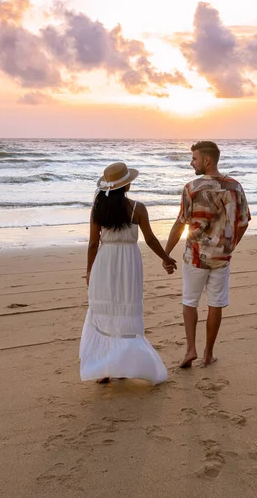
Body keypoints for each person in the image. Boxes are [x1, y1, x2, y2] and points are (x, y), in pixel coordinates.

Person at [80, 162, 176, 385]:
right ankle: (122, 365)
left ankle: (103, 369)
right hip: (129, 263)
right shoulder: (138, 208)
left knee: (105, 311)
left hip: (105, 262)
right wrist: (166, 258)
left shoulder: (98, 208)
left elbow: (94, 243)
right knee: (125, 311)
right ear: (126, 185)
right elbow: (150, 239)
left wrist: (89, 270)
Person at [163, 141, 251, 368]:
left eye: (194, 158)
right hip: (221, 258)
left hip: (195, 256)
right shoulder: (234, 187)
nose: (191, 163)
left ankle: (190, 349)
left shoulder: (192, 188)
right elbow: (243, 222)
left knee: (189, 302)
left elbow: (180, 223)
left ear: (207, 160)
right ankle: (208, 353)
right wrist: (230, 246)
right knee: (215, 304)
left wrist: (166, 253)